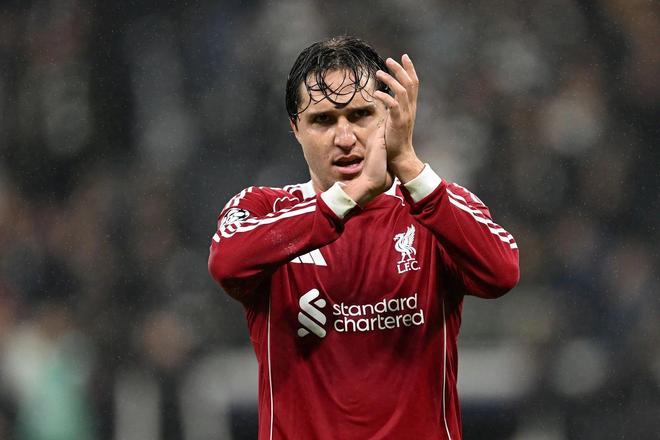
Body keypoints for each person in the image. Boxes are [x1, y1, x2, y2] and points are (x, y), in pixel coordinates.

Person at [208, 36, 519, 439]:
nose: (344, 137)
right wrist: (346, 198)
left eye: (360, 115)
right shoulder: (263, 209)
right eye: (323, 120)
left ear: (389, 115)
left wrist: (407, 162)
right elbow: (225, 263)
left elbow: (501, 273)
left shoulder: (436, 207)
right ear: (295, 128)